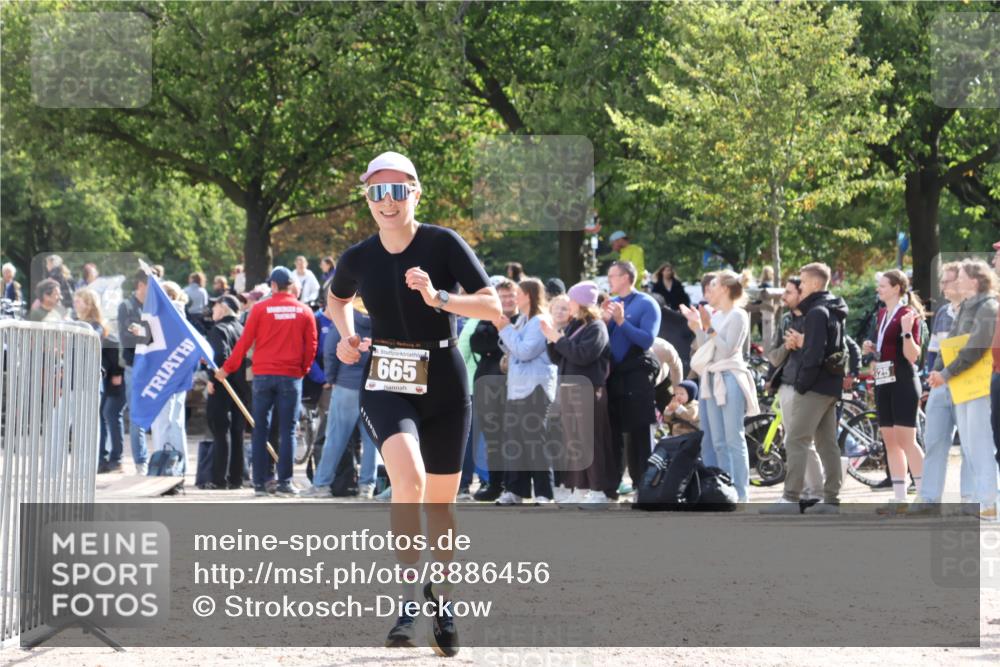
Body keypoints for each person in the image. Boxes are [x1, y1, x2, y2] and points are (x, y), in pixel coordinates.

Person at [327, 150, 500, 656]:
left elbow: (492, 306)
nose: (387, 201)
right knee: (409, 479)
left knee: (441, 506)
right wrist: (346, 336)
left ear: (415, 193)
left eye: (398, 190)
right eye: (377, 191)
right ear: (367, 198)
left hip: (445, 378)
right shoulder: (358, 257)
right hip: (387, 375)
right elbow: (336, 299)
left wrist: (440, 300)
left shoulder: (443, 244)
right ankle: (407, 598)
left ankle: (441, 597)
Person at [217, 266, 318, 496]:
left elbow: (244, 343)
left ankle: (260, 483)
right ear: (291, 285)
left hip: (263, 375)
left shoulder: (260, 309)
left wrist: (227, 368)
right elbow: (311, 345)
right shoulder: (304, 311)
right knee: (288, 431)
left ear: (272, 285)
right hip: (291, 375)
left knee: (260, 429)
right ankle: (285, 483)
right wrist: (303, 369)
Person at [761, 263, 848, 515]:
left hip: (813, 386)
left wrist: (801, 384)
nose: (800, 284)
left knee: (796, 440)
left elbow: (813, 355)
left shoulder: (817, 312)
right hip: (829, 386)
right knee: (827, 443)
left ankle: (790, 499)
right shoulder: (832, 309)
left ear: (813, 284)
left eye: (802, 280)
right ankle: (830, 499)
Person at [922, 259, 999, 519]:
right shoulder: (968, 306)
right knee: (968, 441)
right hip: (961, 383)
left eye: (962, 277)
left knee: (978, 443)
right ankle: (981, 499)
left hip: (977, 384)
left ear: (976, 281)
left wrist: (945, 372)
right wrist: (940, 371)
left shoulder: (988, 306)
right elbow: (952, 342)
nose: (957, 282)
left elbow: (976, 347)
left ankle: (988, 501)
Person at [682, 270, 759, 502]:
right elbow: (706, 348)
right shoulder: (716, 316)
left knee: (733, 437)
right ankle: (723, 490)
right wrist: (698, 326)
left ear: (725, 288)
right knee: (716, 440)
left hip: (729, 378)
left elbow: (726, 350)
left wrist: (708, 327)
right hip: (712, 378)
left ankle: (741, 493)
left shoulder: (738, 315)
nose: (709, 291)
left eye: (713, 286)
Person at [542, 280, 616, 503]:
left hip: (587, 388)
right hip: (568, 387)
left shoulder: (597, 327)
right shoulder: (575, 325)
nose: (569, 303)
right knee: (574, 440)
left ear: (581, 303)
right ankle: (581, 486)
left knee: (589, 439)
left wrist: (559, 340)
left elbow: (583, 355)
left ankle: (599, 489)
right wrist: (552, 339)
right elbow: (558, 357)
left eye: (572, 300)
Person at [303, 296, 379, 499]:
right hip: (375, 384)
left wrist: (332, 377)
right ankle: (367, 486)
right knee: (372, 440)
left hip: (346, 384)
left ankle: (322, 484)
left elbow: (330, 348)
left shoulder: (347, 316)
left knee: (335, 438)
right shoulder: (381, 315)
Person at [862, 270, 925, 513]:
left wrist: (908, 332)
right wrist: (872, 349)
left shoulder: (907, 314)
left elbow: (912, 355)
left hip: (903, 380)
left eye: (883, 285)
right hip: (883, 379)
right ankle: (900, 497)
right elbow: (884, 349)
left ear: (897, 288)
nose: (879, 289)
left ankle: (924, 496)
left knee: (906, 439)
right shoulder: (882, 314)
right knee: (890, 440)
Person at [495, 278, 558, 505]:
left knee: (535, 440)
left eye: (518, 293)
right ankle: (515, 490)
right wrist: (505, 330)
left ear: (529, 295)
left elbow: (525, 350)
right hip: (517, 388)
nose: (514, 298)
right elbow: (512, 345)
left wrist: (505, 330)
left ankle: (544, 493)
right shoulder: (523, 319)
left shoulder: (540, 321)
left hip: (535, 388)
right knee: (515, 440)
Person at [604, 260, 661, 498]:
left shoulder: (646, 304)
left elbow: (646, 340)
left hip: (636, 375)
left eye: (612, 276)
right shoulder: (613, 303)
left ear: (626, 277)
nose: (609, 281)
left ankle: (643, 487)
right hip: (613, 376)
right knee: (613, 434)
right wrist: (605, 323)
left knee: (639, 435)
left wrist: (621, 322)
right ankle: (611, 486)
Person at [765, 277, 824, 507]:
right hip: (787, 385)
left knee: (801, 441)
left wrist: (803, 343)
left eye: (789, 292)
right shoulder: (787, 320)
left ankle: (813, 491)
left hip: (807, 387)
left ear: (801, 294)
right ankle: (806, 491)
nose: (784, 296)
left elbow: (827, 349)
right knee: (794, 441)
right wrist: (786, 347)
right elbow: (774, 356)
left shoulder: (816, 318)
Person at [469, 279, 521, 502]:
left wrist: (498, 338)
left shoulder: (525, 320)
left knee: (515, 437)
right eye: (503, 297)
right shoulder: (487, 319)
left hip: (515, 387)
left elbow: (516, 346)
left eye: (511, 296)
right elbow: (476, 344)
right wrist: (501, 338)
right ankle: (495, 483)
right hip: (488, 386)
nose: (507, 300)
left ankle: (514, 485)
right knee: (493, 438)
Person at [75, 288, 126, 474]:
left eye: (79, 301)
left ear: (88, 304)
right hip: (100, 379)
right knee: (102, 417)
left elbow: (114, 347)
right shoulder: (83, 324)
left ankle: (113, 459)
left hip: (110, 380)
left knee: (108, 416)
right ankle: (101, 459)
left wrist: (117, 372)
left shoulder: (95, 325)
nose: (76, 304)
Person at [205, 294, 249, 489]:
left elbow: (220, 358)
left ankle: (219, 478)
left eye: (215, 306)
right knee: (237, 433)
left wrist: (212, 379)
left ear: (223, 308)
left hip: (223, 386)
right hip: (241, 387)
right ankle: (236, 478)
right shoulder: (242, 329)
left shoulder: (218, 329)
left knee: (220, 431)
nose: (213, 309)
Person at [148, 281, 191, 474]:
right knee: (175, 421)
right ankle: (179, 465)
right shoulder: (180, 315)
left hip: (165, 373)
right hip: (179, 375)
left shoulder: (167, 316)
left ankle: (163, 465)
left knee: (162, 422)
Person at [118, 270, 150, 474]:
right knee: (136, 413)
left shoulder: (155, 306)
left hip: (152, 364)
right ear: (141, 284)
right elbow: (127, 334)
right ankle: (141, 462)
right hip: (135, 365)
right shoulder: (127, 306)